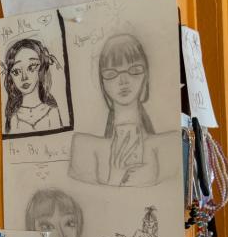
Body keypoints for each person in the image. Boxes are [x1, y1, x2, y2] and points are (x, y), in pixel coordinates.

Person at [69, 34, 178, 187]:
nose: (123, 81)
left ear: (145, 75)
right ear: (103, 82)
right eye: (112, 73)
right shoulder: (84, 147)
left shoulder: (170, 144)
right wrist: (115, 178)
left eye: (134, 70)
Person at [1, 37, 62, 134]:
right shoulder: (12, 116)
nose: (24, 77)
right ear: (10, 76)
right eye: (16, 71)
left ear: (42, 67)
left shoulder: (52, 110)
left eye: (31, 67)